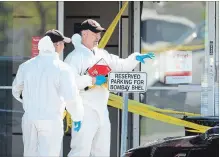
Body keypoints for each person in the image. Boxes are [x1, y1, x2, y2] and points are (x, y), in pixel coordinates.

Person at [64, 19, 155, 157]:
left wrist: (135, 58)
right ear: (84, 34)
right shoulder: (74, 58)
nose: (98, 37)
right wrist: (92, 80)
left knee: (102, 152)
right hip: (84, 111)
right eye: (95, 34)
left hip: (102, 110)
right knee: (80, 151)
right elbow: (70, 83)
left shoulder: (101, 54)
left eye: (99, 34)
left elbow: (121, 65)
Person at [12, 29, 84, 157]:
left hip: (30, 119)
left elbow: (16, 91)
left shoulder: (26, 66)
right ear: (56, 45)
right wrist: (77, 116)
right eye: (63, 43)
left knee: (30, 154)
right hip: (51, 120)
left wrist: (30, 100)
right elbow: (71, 97)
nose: (63, 47)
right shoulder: (63, 69)